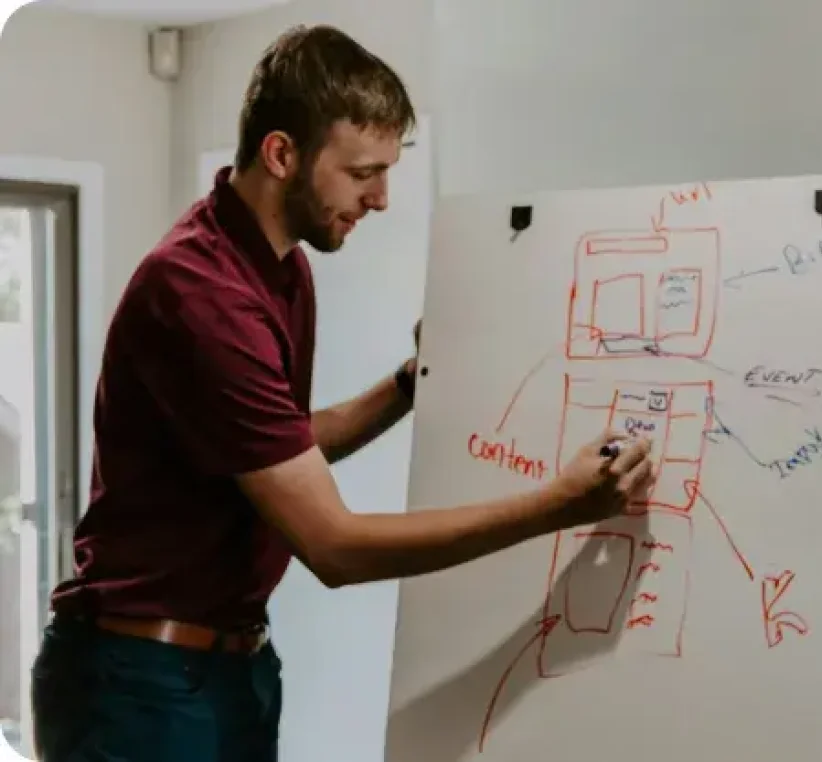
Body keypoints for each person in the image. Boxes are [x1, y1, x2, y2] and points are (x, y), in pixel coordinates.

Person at [29, 24, 655, 762]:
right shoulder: (201, 292)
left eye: (388, 171)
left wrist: (408, 384)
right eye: (363, 172)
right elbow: (334, 546)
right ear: (282, 153)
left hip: (228, 670)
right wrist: (562, 505)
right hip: (142, 686)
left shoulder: (279, 265)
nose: (382, 198)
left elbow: (277, 444)